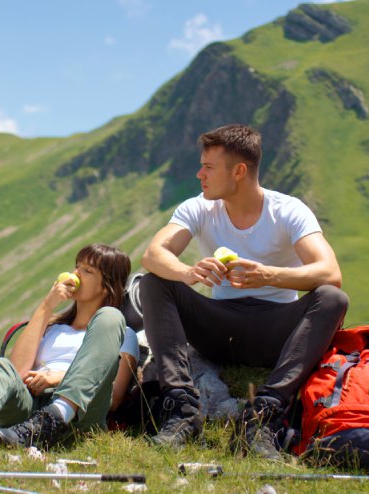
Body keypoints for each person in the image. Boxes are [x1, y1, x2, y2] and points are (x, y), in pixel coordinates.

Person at [139, 124, 349, 459]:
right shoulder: (198, 207)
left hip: (277, 330)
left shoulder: (288, 210)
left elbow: (330, 272)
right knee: (152, 282)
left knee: (333, 298)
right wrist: (188, 272)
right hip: (220, 328)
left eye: (208, 167)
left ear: (239, 171)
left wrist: (269, 275)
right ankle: (182, 411)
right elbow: (154, 254)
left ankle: (262, 415)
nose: (199, 174)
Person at [0, 243, 138, 453]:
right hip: (31, 405)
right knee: (0, 366)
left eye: (87, 271)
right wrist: (47, 305)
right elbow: (15, 371)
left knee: (111, 316)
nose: (75, 274)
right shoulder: (52, 326)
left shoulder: (121, 332)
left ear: (107, 285)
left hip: (80, 414)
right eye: (76, 266)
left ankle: (57, 415)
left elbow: (114, 397)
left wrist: (59, 378)